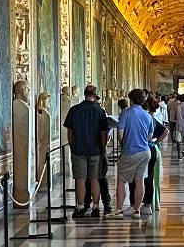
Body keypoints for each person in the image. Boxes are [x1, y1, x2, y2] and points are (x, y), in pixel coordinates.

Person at [64, 83, 111, 219]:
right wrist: (103, 149)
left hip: (78, 149)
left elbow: (70, 131)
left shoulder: (74, 110)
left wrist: (72, 146)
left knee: (80, 180)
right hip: (95, 150)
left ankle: (80, 207)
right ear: (95, 95)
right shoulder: (100, 111)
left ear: (84, 94)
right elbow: (104, 133)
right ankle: (96, 207)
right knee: (94, 179)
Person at [116, 88, 155, 218]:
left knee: (121, 180)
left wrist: (124, 143)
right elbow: (150, 136)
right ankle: (137, 210)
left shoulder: (126, 113)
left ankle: (119, 210)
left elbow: (120, 134)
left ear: (131, 99)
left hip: (130, 151)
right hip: (145, 152)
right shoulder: (148, 115)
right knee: (139, 181)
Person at [142, 96, 167, 218]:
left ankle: (149, 203)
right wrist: (155, 143)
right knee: (152, 179)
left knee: (149, 179)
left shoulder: (148, 118)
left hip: (148, 150)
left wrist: (154, 143)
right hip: (153, 149)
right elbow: (165, 131)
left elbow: (165, 131)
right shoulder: (150, 117)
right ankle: (153, 203)